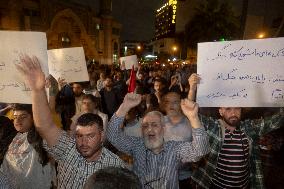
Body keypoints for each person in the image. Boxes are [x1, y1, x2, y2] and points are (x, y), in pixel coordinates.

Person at [16, 54, 125, 189]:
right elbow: (45, 126)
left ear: (102, 135)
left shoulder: (115, 166)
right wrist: (38, 91)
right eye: (79, 136)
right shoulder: (68, 149)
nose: (83, 142)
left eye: (90, 136)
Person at [188, 73, 284, 189]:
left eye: (237, 108)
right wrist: (192, 90)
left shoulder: (250, 127)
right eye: (228, 109)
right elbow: (192, 114)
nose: (233, 113)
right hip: (216, 186)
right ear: (221, 111)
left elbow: (277, 120)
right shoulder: (214, 127)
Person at [107, 93, 210, 189]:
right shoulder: (136, 145)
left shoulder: (174, 148)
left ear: (164, 129)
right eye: (145, 126)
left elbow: (200, 151)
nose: (149, 129)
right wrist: (124, 107)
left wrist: (193, 118)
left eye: (155, 125)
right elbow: (112, 135)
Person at [0, 104, 54, 189]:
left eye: (23, 116)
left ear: (33, 118)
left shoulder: (40, 137)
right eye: (15, 117)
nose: (18, 120)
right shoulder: (9, 136)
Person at [161, 92, 193, 189]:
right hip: (162, 177)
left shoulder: (191, 124)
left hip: (184, 178)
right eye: (168, 102)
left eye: (175, 102)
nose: (171, 105)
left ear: (181, 104)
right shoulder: (158, 122)